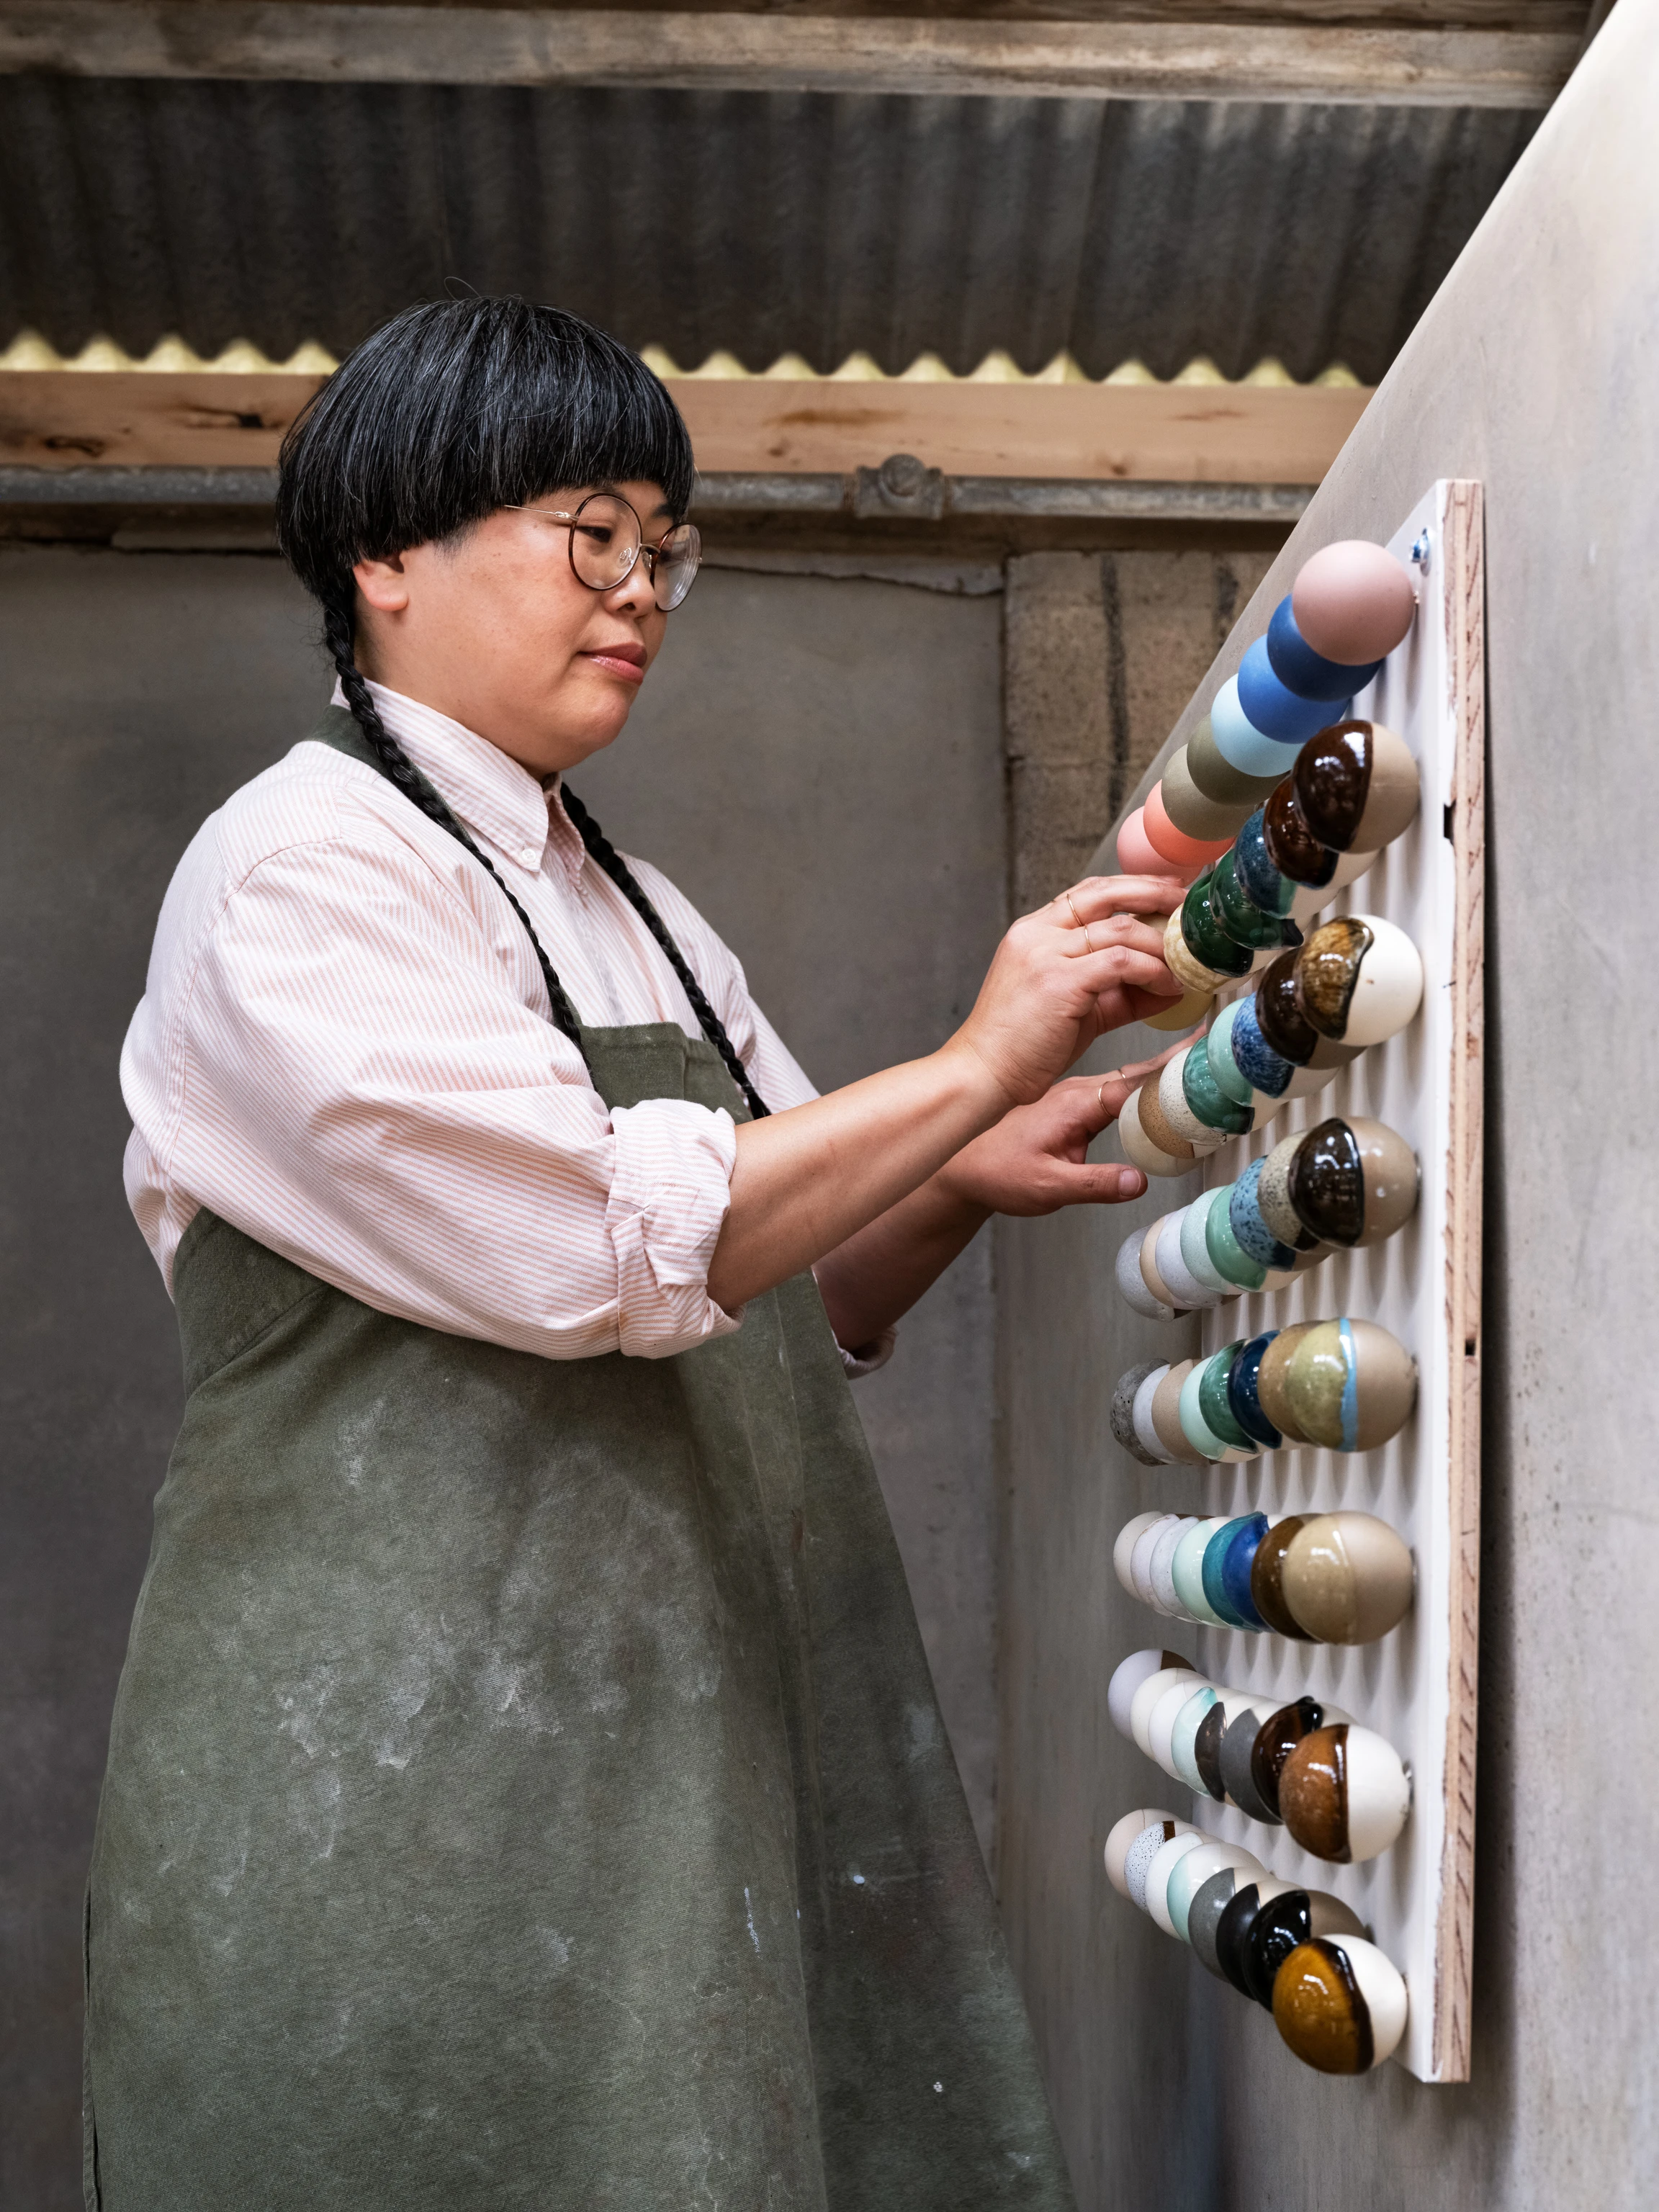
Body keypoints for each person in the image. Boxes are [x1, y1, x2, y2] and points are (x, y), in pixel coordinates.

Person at [84, 297, 1182, 2211]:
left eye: (665, 547)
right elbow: (605, 1252)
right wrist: (965, 1060)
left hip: (672, 1768)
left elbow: (780, 1296)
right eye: (591, 533)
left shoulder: (637, 905)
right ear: (388, 552)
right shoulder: (309, 868)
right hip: (404, 1792)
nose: (645, 589)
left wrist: (950, 1155)